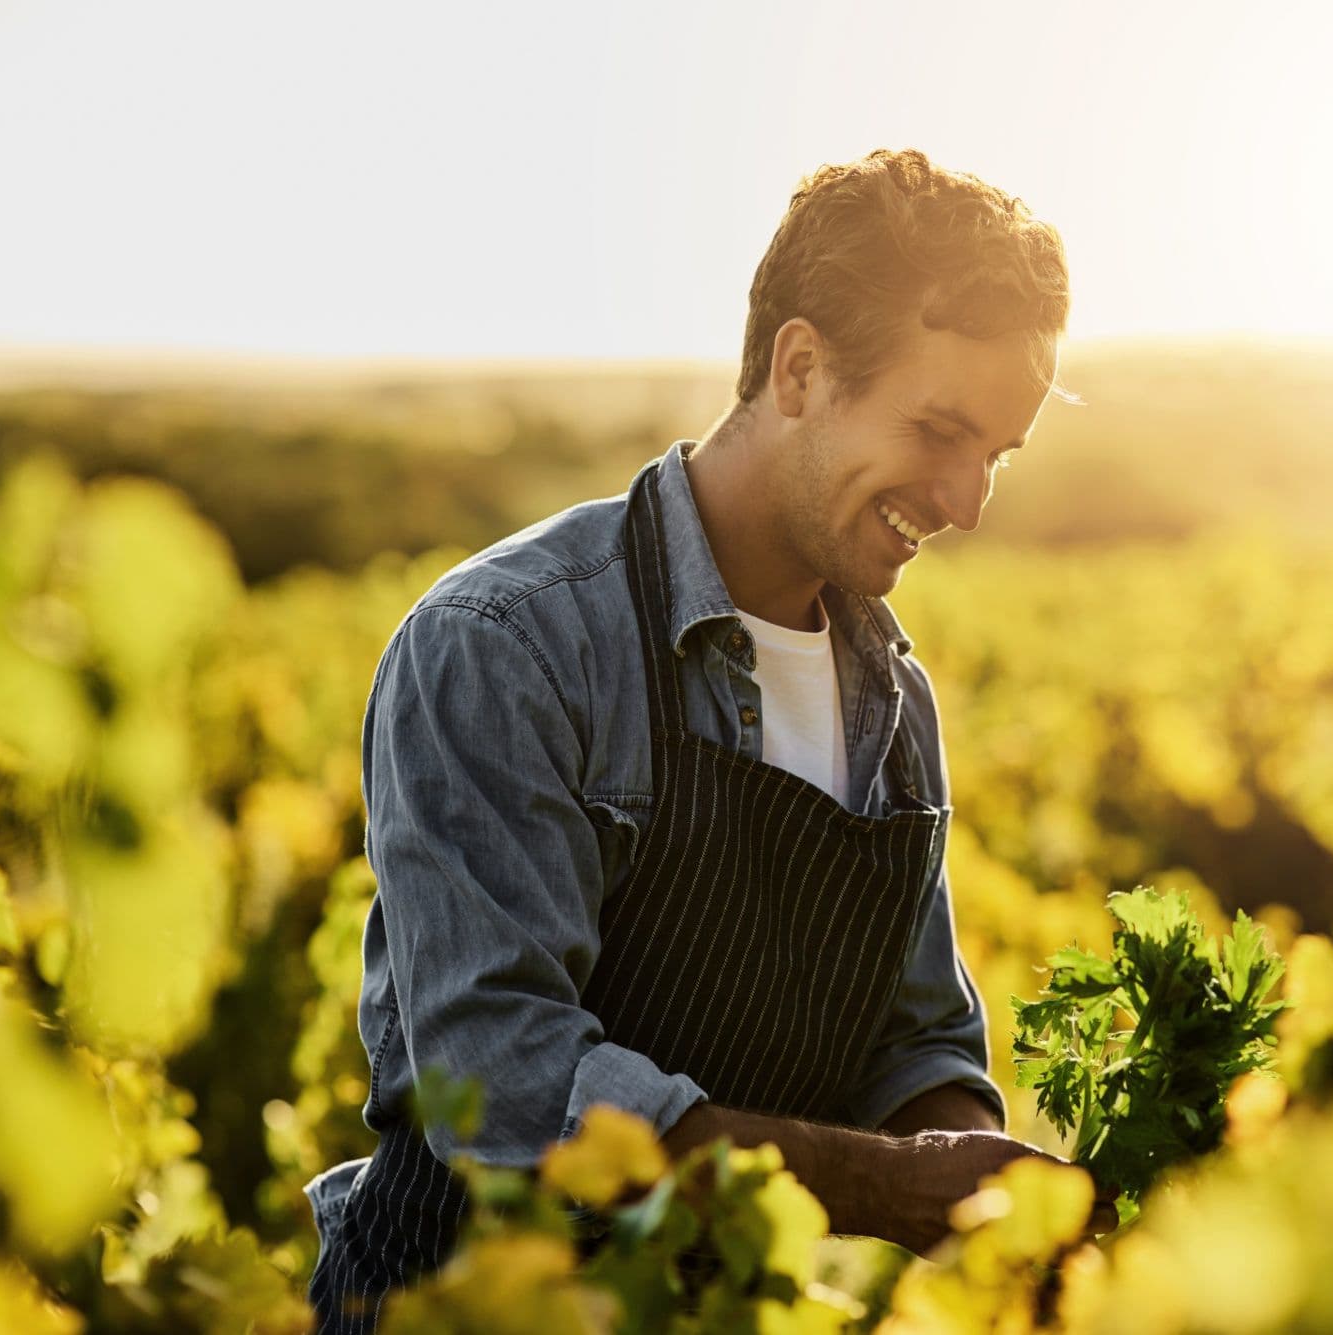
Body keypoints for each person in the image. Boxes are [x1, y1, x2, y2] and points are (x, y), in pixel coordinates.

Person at [304, 146, 1106, 1332]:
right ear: (798, 368)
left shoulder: (891, 701)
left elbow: (917, 1033)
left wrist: (982, 1184)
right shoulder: (506, 644)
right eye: (938, 429)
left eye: (992, 453)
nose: (965, 499)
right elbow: (505, 1081)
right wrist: (879, 1184)